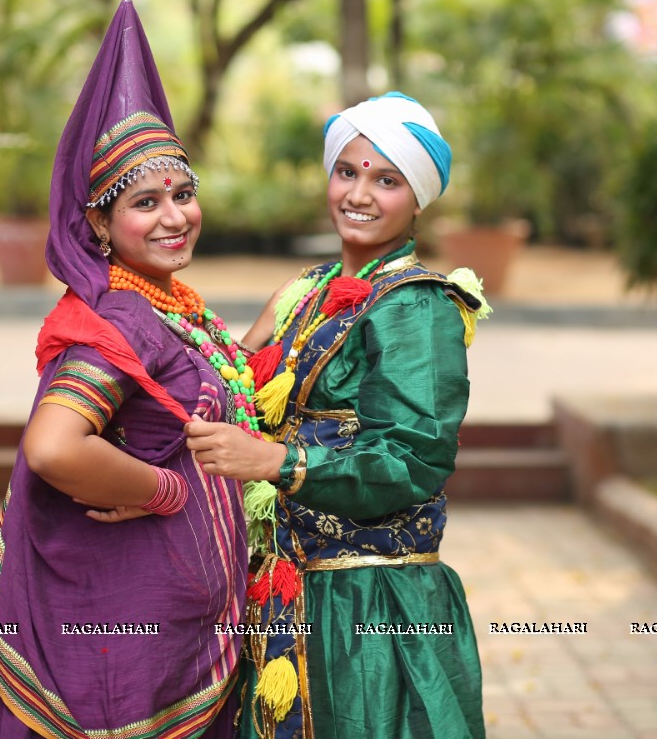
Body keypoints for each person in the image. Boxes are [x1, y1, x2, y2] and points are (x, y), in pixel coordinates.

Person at [0, 1, 250, 739]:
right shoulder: (117, 319)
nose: (173, 217)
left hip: (172, 638)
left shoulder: (161, 303)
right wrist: (162, 490)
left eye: (183, 195)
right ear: (98, 223)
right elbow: (56, 447)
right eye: (144, 203)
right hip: (122, 662)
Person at [185, 92, 489, 738]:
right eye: (347, 171)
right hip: (282, 595)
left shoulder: (417, 307)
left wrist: (277, 461)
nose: (360, 193)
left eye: (387, 179)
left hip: (370, 609)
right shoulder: (305, 292)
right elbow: (234, 396)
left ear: (418, 199)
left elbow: (413, 459)